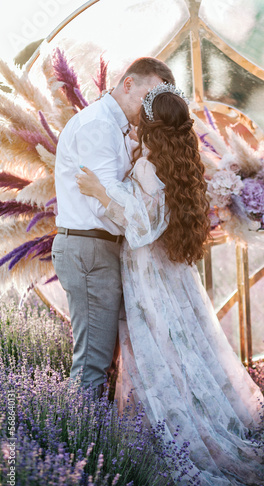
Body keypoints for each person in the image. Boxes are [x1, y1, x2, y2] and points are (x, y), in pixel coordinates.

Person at [76, 82, 264, 486]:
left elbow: (142, 227)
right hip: (171, 273)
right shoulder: (178, 163)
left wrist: (100, 192)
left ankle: (176, 439)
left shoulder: (147, 166)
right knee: (184, 344)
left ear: (147, 125)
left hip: (148, 272)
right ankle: (201, 417)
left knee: (159, 348)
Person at [52, 58, 175, 397]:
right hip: (90, 248)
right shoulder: (100, 126)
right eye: (147, 95)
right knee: (94, 360)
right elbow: (100, 202)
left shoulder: (116, 128)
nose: (149, 108)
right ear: (128, 84)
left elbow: (109, 192)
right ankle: (81, 445)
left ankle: (89, 438)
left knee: (103, 359)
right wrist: (142, 214)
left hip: (98, 248)